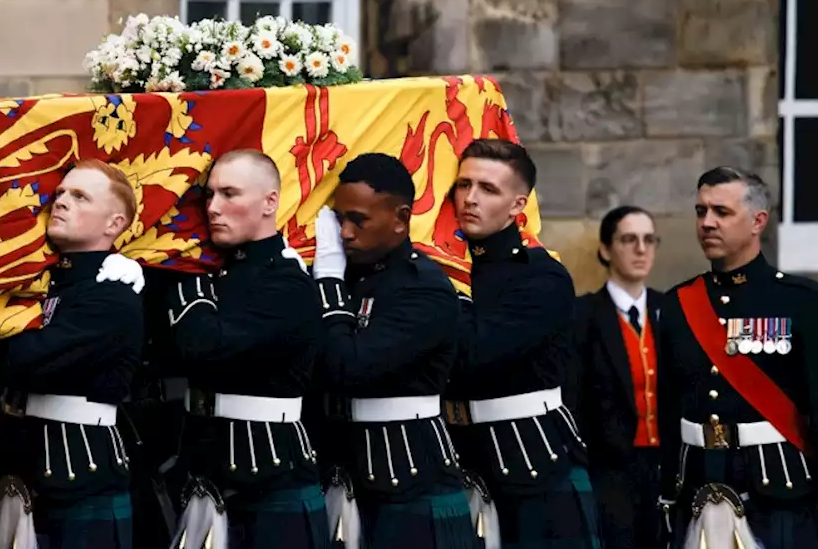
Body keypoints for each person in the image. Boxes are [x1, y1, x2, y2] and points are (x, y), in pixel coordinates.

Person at [655, 167, 818, 549]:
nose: (707, 223)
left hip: (776, 492)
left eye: (722, 212)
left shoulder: (802, 301)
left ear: (757, 221)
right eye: (701, 211)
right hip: (696, 491)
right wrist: (667, 499)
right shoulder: (677, 305)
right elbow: (668, 411)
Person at [312, 153, 480, 549]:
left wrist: (329, 283)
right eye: (339, 220)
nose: (346, 233)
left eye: (358, 219)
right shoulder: (352, 276)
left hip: (411, 482)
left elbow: (348, 366)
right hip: (345, 477)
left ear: (401, 218)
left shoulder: (424, 288)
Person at [443, 138, 599, 547]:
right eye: (463, 185)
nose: (470, 199)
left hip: (529, 461)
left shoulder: (541, 277)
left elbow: (472, 352)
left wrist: (441, 285)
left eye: (488, 189)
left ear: (518, 206)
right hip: (453, 456)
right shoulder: (444, 264)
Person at [168, 149, 328, 549]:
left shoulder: (287, 283)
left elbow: (205, 347)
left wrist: (186, 283)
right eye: (209, 196)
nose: (214, 208)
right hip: (203, 469)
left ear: (270, 202)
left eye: (230, 194)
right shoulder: (219, 270)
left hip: (270, 476)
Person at [0, 159, 146, 548]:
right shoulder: (42, 279)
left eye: (80, 197)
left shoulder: (112, 294)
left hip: (80, 474)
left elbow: (21, 363)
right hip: (21, 466)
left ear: (114, 224)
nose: (61, 202)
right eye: (60, 193)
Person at [567, 206, 664, 549]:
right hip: (608, 472)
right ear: (606, 249)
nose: (641, 249)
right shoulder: (583, 315)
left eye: (649, 240)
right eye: (629, 239)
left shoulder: (671, 312)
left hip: (664, 471)